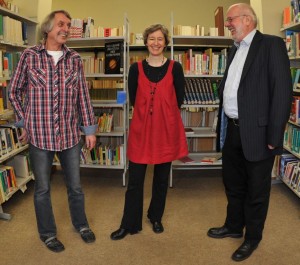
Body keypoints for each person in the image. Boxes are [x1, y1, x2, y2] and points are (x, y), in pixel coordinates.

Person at [207, 3, 292, 262]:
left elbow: (282, 93)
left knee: (257, 189)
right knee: (232, 184)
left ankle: (252, 237)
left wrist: (274, 137)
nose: (228, 24)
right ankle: (234, 226)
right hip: (232, 130)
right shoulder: (234, 50)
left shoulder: (271, 45)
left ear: (247, 19)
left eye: (231, 20)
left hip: (259, 133)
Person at [8, 10, 97, 253]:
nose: (66, 28)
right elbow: (14, 91)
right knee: (43, 189)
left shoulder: (75, 59)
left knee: (76, 187)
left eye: (68, 25)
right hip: (39, 135)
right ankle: (47, 234)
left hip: (70, 135)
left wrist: (89, 130)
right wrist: (23, 121)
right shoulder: (29, 56)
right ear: (47, 28)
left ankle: (82, 225)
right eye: (61, 24)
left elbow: (83, 98)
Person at [110, 24, 188, 240]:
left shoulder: (176, 67)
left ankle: (156, 217)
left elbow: (179, 98)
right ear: (145, 42)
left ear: (166, 42)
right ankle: (129, 223)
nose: (155, 43)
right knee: (135, 180)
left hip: (166, 130)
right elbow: (134, 98)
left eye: (160, 39)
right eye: (151, 39)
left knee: (162, 178)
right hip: (142, 130)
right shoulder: (135, 69)